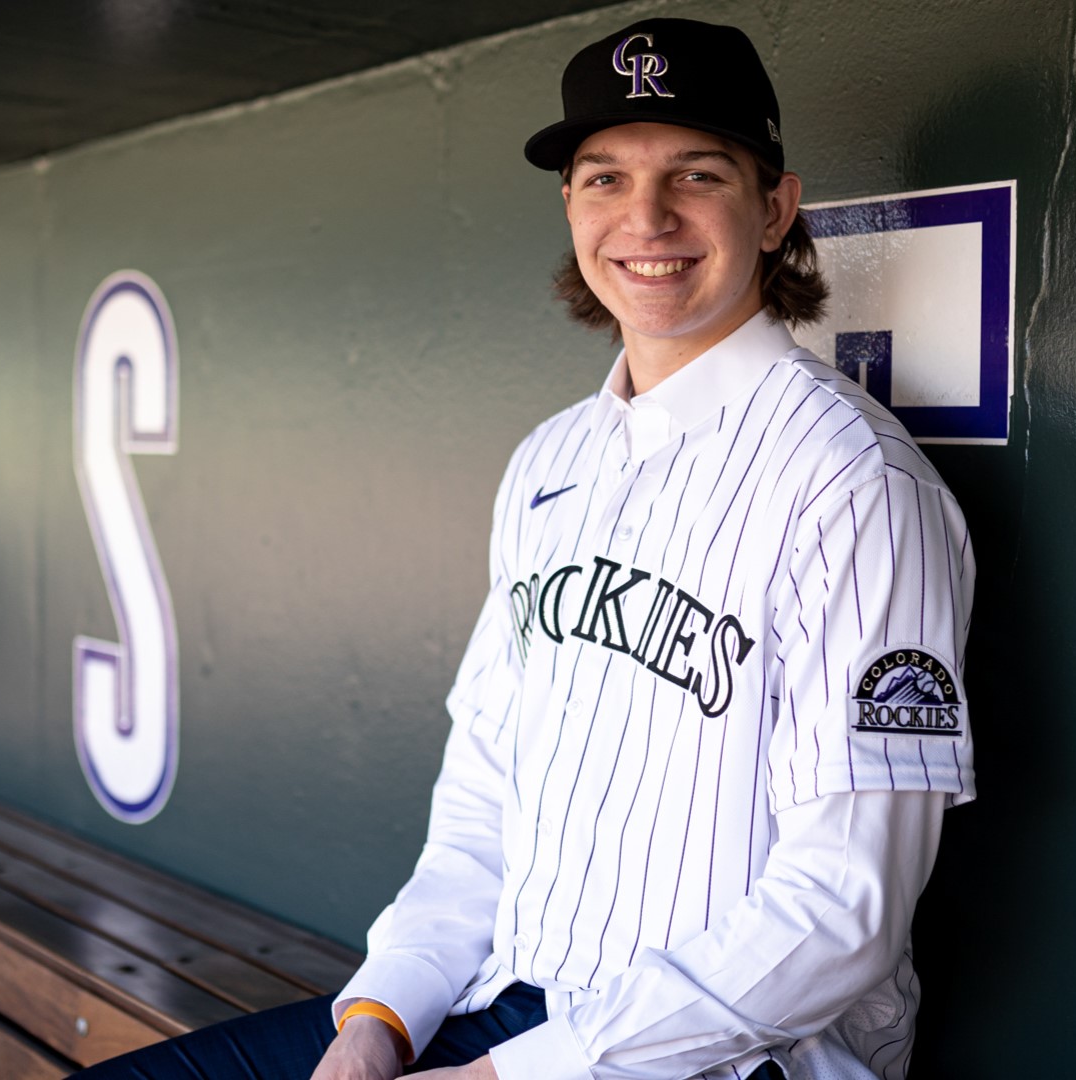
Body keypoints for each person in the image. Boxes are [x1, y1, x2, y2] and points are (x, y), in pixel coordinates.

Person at [74, 16, 974, 1080]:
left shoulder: (851, 481)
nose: (646, 217)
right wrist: (378, 1020)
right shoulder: (552, 463)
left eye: (696, 174)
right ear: (570, 206)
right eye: (605, 179)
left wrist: (513, 1076)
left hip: (728, 1061)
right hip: (512, 1009)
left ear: (774, 207)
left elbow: (844, 909)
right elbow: (480, 808)